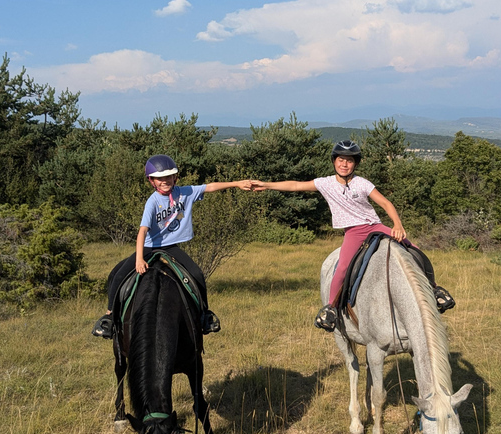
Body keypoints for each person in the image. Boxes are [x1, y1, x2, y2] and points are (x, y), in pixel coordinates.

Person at [251, 140, 454, 332]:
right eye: (340, 160)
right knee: (343, 267)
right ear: (334, 162)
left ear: (355, 164)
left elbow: (385, 204)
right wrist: (266, 185)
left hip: (374, 226)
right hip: (354, 231)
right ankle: (330, 308)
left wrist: (397, 224)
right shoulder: (325, 183)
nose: (344, 164)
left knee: (414, 249)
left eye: (349, 161)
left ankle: (434, 289)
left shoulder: (363, 183)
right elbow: (295, 185)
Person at [92, 154, 253, 339]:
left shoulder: (185, 192)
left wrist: (237, 183)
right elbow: (142, 231)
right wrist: (139, 259)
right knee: (119, 275)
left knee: (197, 274)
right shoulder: (152, 202)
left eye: (169, 177)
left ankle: (205, 315)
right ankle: (109, 317)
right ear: (152, 181)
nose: (165, 181)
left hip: (171, 247)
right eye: (160, 178)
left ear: (175, 177)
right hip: (149, 247)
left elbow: (210, 186)